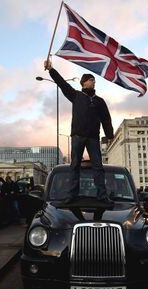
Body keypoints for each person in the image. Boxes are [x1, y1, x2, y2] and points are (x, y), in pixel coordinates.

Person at [44, 59, 114, 203]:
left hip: (93, 138)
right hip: (77, 136)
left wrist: (110, 136)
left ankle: (102, 196)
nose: (94, 82)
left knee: (98, 167)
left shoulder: (99, 101)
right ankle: (72, 195)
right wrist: (51, 70)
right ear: (84, 83)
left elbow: (106, 119)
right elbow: (62, 84)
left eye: (94, 80)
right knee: (74, 166)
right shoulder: (76, 95)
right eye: (91, 80)